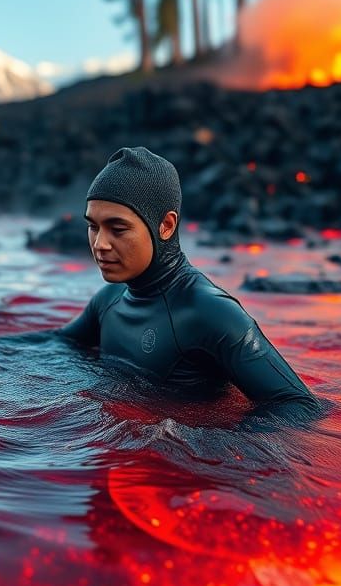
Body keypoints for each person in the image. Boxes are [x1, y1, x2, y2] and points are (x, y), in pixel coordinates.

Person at [60, 146, 317, 409]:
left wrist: (215, 446)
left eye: (118, 229)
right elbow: (56, 345)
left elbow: (298, 404)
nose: (100, 244)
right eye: (93, 226)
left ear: (166, 225)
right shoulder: (108, 301)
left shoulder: (210, 312)